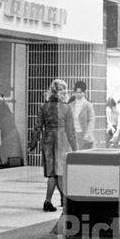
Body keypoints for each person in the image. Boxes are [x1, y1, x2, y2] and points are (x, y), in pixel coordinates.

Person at [32, 79, 78, 212]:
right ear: (58, 92)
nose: (65, 93)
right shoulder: (66, 108)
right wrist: (76, 149)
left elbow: (37, 126)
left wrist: (33, 143)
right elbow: (71, 131)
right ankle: (65, 201)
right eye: (63, 91)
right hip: (62, 140)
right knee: (61, 173)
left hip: (48, 140)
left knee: (52, 173)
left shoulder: (44, 106)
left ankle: (48, 201)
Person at [70, 80, 95, 150]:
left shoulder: (88, 105)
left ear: (84, 92)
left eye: (80, 92)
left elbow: (91, 120)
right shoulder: (70, 105)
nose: (78, 94)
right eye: (76, 92)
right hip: (74, 135)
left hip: (85, 136)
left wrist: (88, 133)